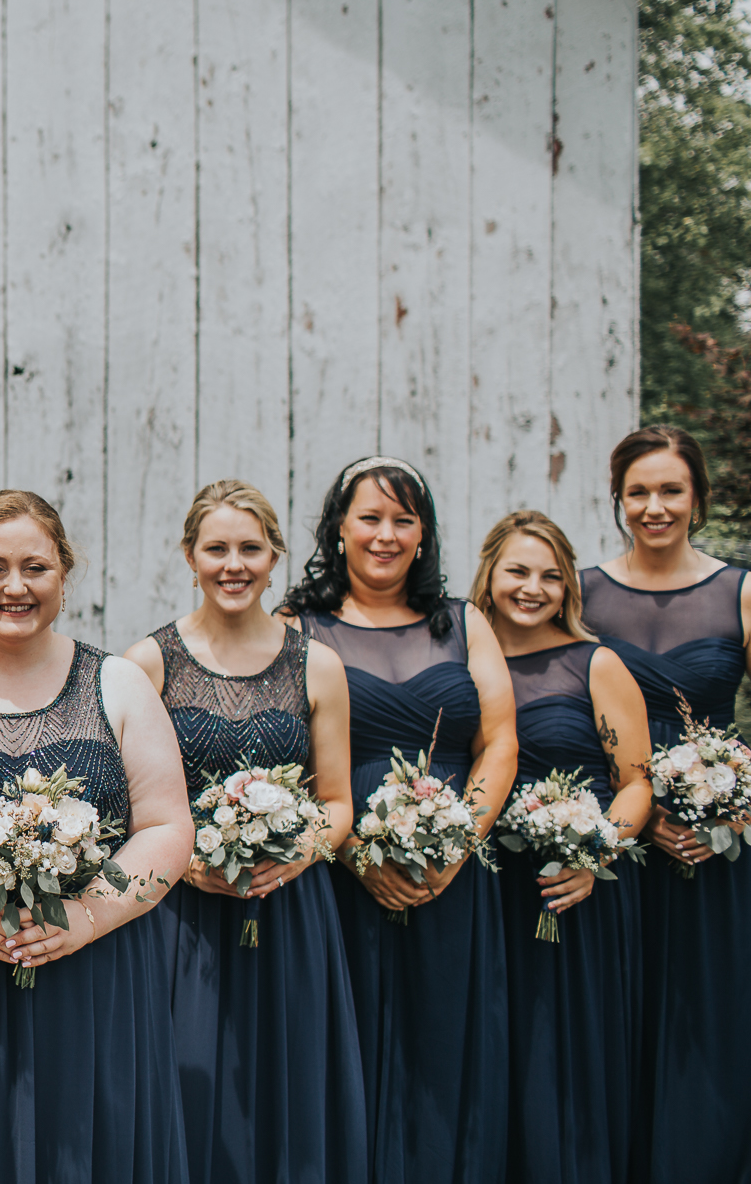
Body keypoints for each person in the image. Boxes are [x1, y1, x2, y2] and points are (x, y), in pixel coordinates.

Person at [0, 489, 193, 1183]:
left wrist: (87, 915)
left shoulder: (118, 683)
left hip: (97, 969)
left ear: (63, 576)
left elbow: (166, 825)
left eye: (35, 567)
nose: (15, 586)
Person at [280, 457, 516, 1184]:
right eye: (370, 518)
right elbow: (283, 750)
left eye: (403, 520)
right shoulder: (297, 627)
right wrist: (353, 850)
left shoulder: (465, 623)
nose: (386, 535)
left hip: (453, 873)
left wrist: (459, 842)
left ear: (423, 535)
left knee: (447, 1040)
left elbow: (500, 741)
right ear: (339, 528)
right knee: (344, 1039)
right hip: (338, 872)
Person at [124, 480, 364, 1184]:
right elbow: (125, 803)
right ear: (190, 556)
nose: (234, 565)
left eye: (250, 549)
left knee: (285, 1079)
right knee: (187, 1077)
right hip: (181, 912)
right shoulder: (148, 662)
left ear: (274, 556)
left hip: (288, 907)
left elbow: (338, 801)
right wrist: (185, 858)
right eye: (217, 549)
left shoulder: (316, 664)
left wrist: (296, 856)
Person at [579, 426, 751, 1181]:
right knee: (616, 1020)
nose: (654, 506)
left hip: (709, 851)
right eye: (638, 491)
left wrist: (735, 814)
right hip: (612, 848)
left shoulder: (739, 592)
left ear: (698, 497)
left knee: (705, 1023)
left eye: (670, 490)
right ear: (618, 499)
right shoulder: (582, 592)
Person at [470, 510, 649, 1184]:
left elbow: (636, 783)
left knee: (565, 1055)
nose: (532, 587)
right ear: (490, 573)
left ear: (568, 586)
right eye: (518, 570)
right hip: (485, 887)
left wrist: (593, 854)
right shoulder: (461, 659)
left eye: (550, 575)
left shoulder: (594, 663)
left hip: (572, 891)